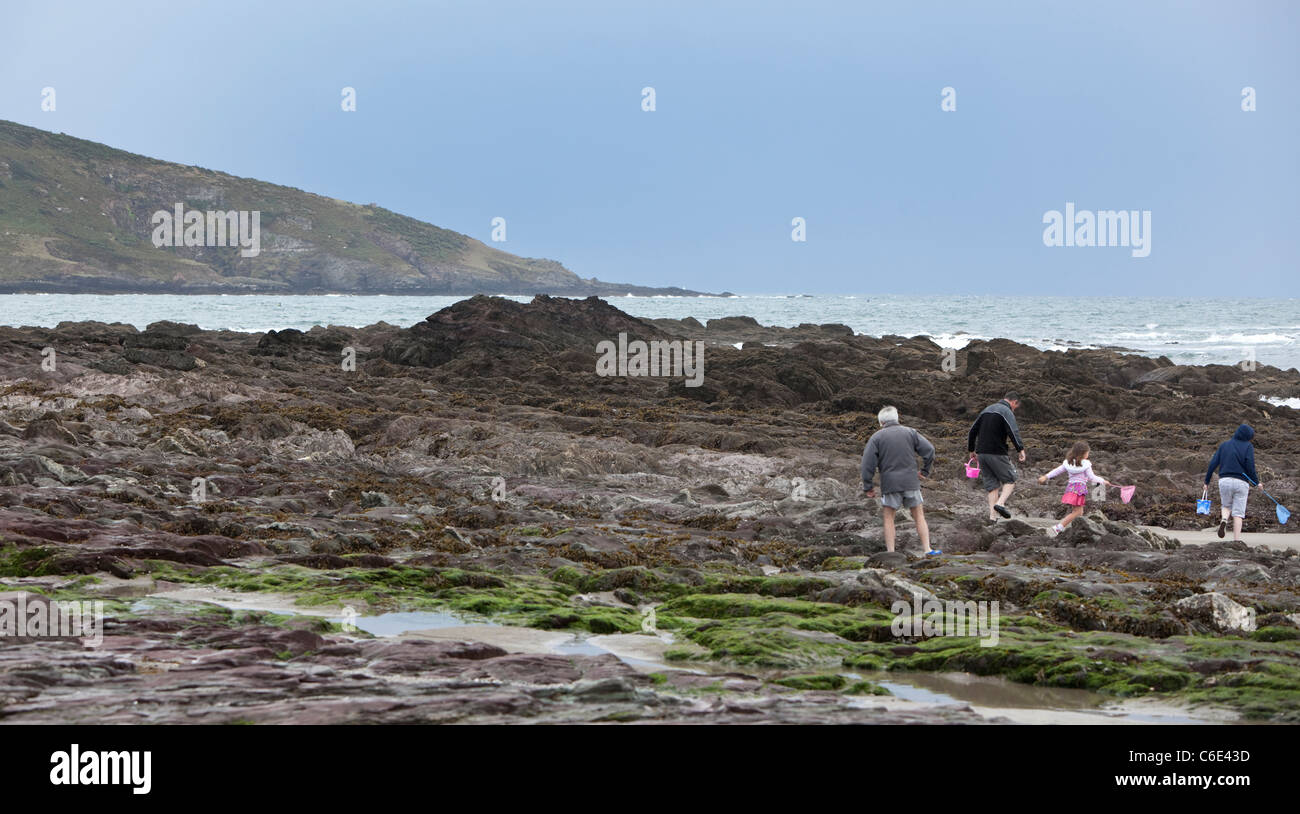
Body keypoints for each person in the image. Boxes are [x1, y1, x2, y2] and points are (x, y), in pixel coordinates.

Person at [861, 405, 940, 555]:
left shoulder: (876, 437)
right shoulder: (910, 432)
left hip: (890, 484)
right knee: (919, 515)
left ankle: (891, 552)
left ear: (881, 423)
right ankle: (927, 549)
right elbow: (930, 450)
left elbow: (867, 464)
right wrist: (924, 471)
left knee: (889, 517)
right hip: (911, 481)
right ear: (897, 418)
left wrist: (868, 486)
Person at [967, 391, 1027, 521]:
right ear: (1014, 402)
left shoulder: (986, 410)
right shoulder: (1006, 411)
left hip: (981, 453)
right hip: (997, 452)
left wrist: (971, 449)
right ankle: (1000, 504)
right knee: (1011, 479)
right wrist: (1020, 449)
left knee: (992, 485)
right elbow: (1012, 430)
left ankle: (992, 518)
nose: (1015, 409)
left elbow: (972, 430)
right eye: (1016, 407)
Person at [1038, 441, 1111, 537]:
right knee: (1077, 512)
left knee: (1078, 512)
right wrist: (1103, 481)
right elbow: (1092, 477)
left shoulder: (1068, 463)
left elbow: (1057, 471)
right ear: (1083, 453)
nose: (1088, 454)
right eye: (1087, 452)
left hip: (1071, 488)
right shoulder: (1086, 464)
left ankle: (1077, 528)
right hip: (1079, 489)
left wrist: (1045, 476)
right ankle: (1058, 528)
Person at [1205, 423, 1259, 542]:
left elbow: (1213, 463)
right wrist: (1256, 482)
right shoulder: (1248, 446)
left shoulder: (1224, 445)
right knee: (1238, 513)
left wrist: (1206, 481)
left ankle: (1224, 519)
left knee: (1226, 506)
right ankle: (1236, 540)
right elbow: (1250, 466)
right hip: (1241, 482)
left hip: (1224, 481)